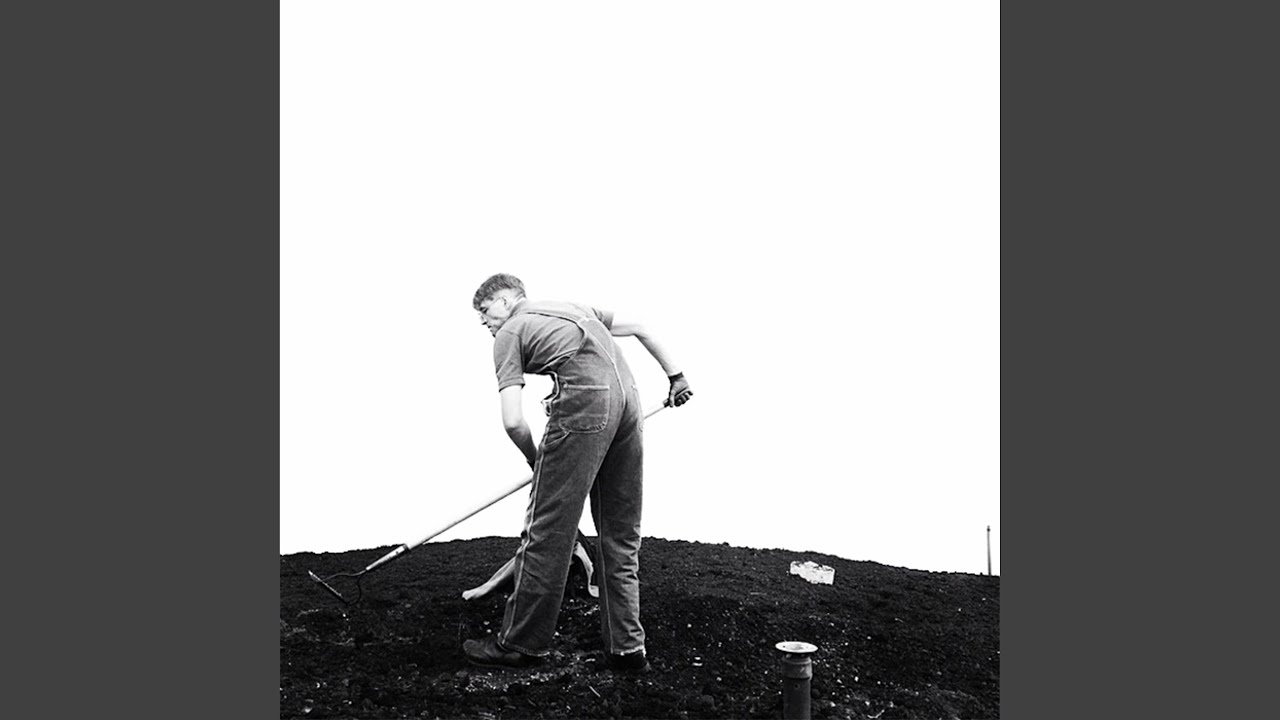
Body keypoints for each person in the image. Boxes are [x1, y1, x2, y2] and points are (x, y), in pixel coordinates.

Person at [462, 273, 692, 671]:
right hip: (628, 405)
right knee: (620, 533)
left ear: (507, 300)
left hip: (587, 408)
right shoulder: (572, 309)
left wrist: (537, 460)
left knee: (548, 531)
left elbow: (513, 421)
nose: (483, 321)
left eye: (484, 310)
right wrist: (677, 378)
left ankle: (519, 644)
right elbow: (640, 327)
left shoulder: (511, 332)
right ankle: (627, 650)